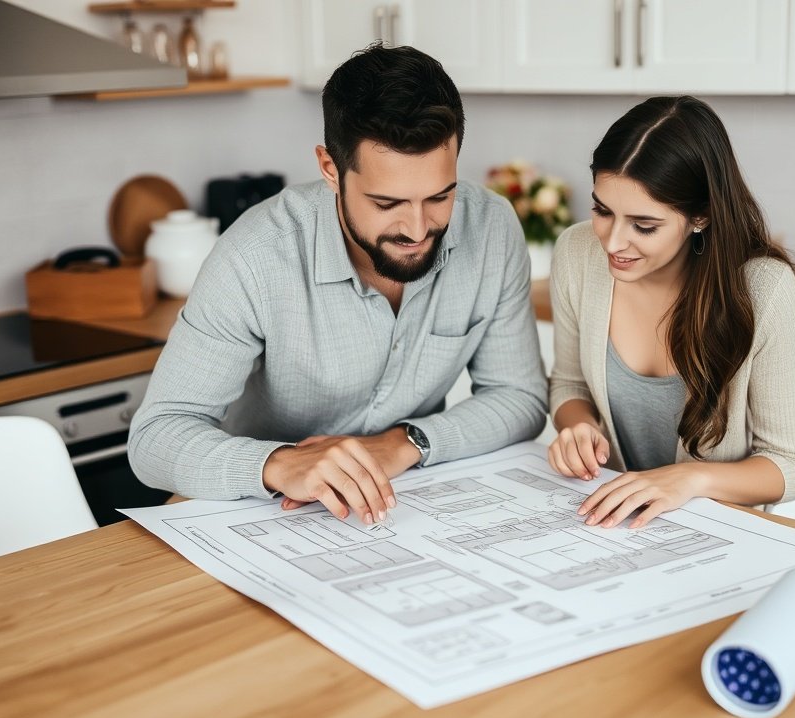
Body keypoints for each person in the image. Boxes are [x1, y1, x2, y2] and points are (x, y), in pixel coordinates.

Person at [129, 44, 547, 526]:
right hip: (254, 512)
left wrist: (403, 442)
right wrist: (279, 463)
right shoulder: (256, 254)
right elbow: (155, 437)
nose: (416, 228)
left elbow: (521, 399)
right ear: (330, 170)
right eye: (387, 203)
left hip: (404, 501)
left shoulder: (491, 227)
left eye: (439, 196)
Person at [546, 96, 795, 531]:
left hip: (715, 534)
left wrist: (688, 479)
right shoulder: (577, 254)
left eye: (644, 226)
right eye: (602, 210)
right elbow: (570, 383)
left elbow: (791, 466)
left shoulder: (763, 290)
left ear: (700, 217)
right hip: (606, 526)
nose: (613, 243)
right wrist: (578, 427)